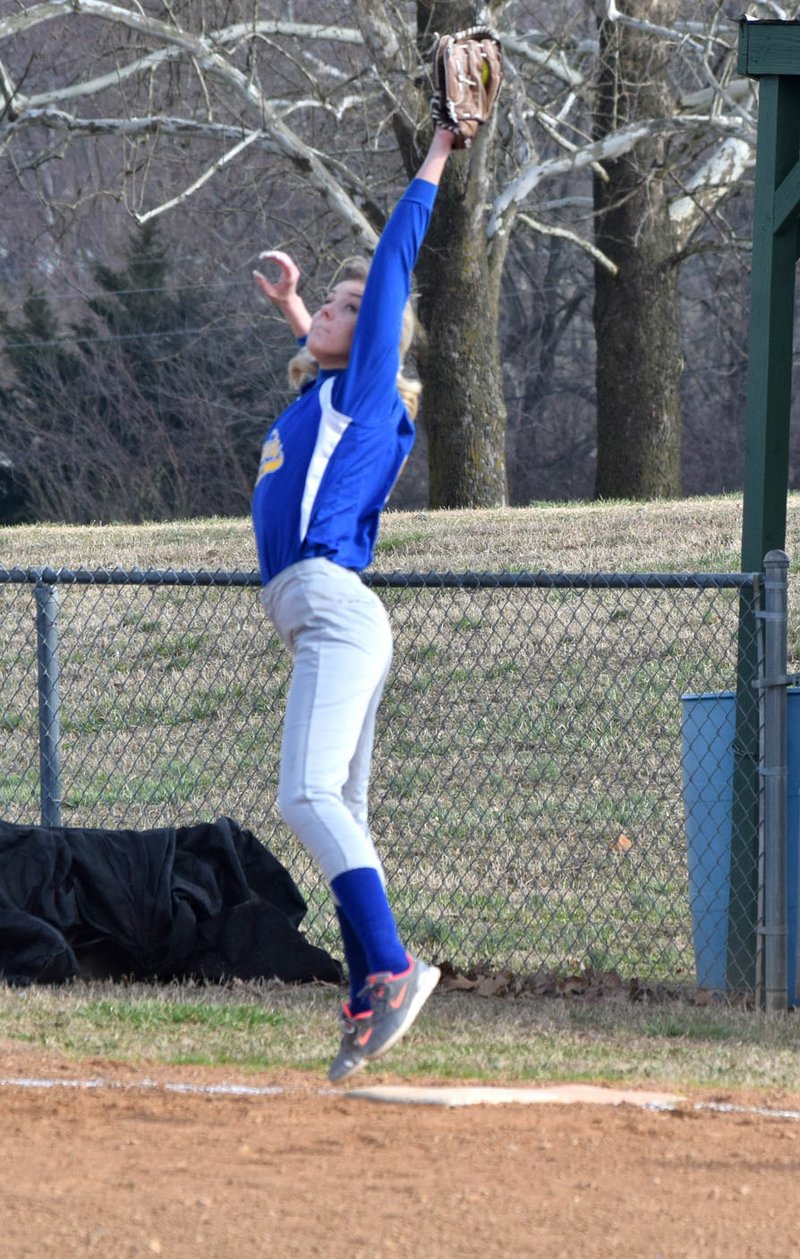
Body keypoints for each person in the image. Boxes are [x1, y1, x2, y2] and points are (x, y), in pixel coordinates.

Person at [251, 126, 457, 1083]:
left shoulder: (366, 384)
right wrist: (298, 307)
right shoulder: (329, 394)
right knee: (344, 810)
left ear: (373, 329)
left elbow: (393, 261)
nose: (337, 313)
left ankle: (391, 966)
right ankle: (369, 987)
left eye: (345, 306)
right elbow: (322, 343)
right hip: (335, 615)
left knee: (303, 795)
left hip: (332, 606)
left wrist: (440, 151)